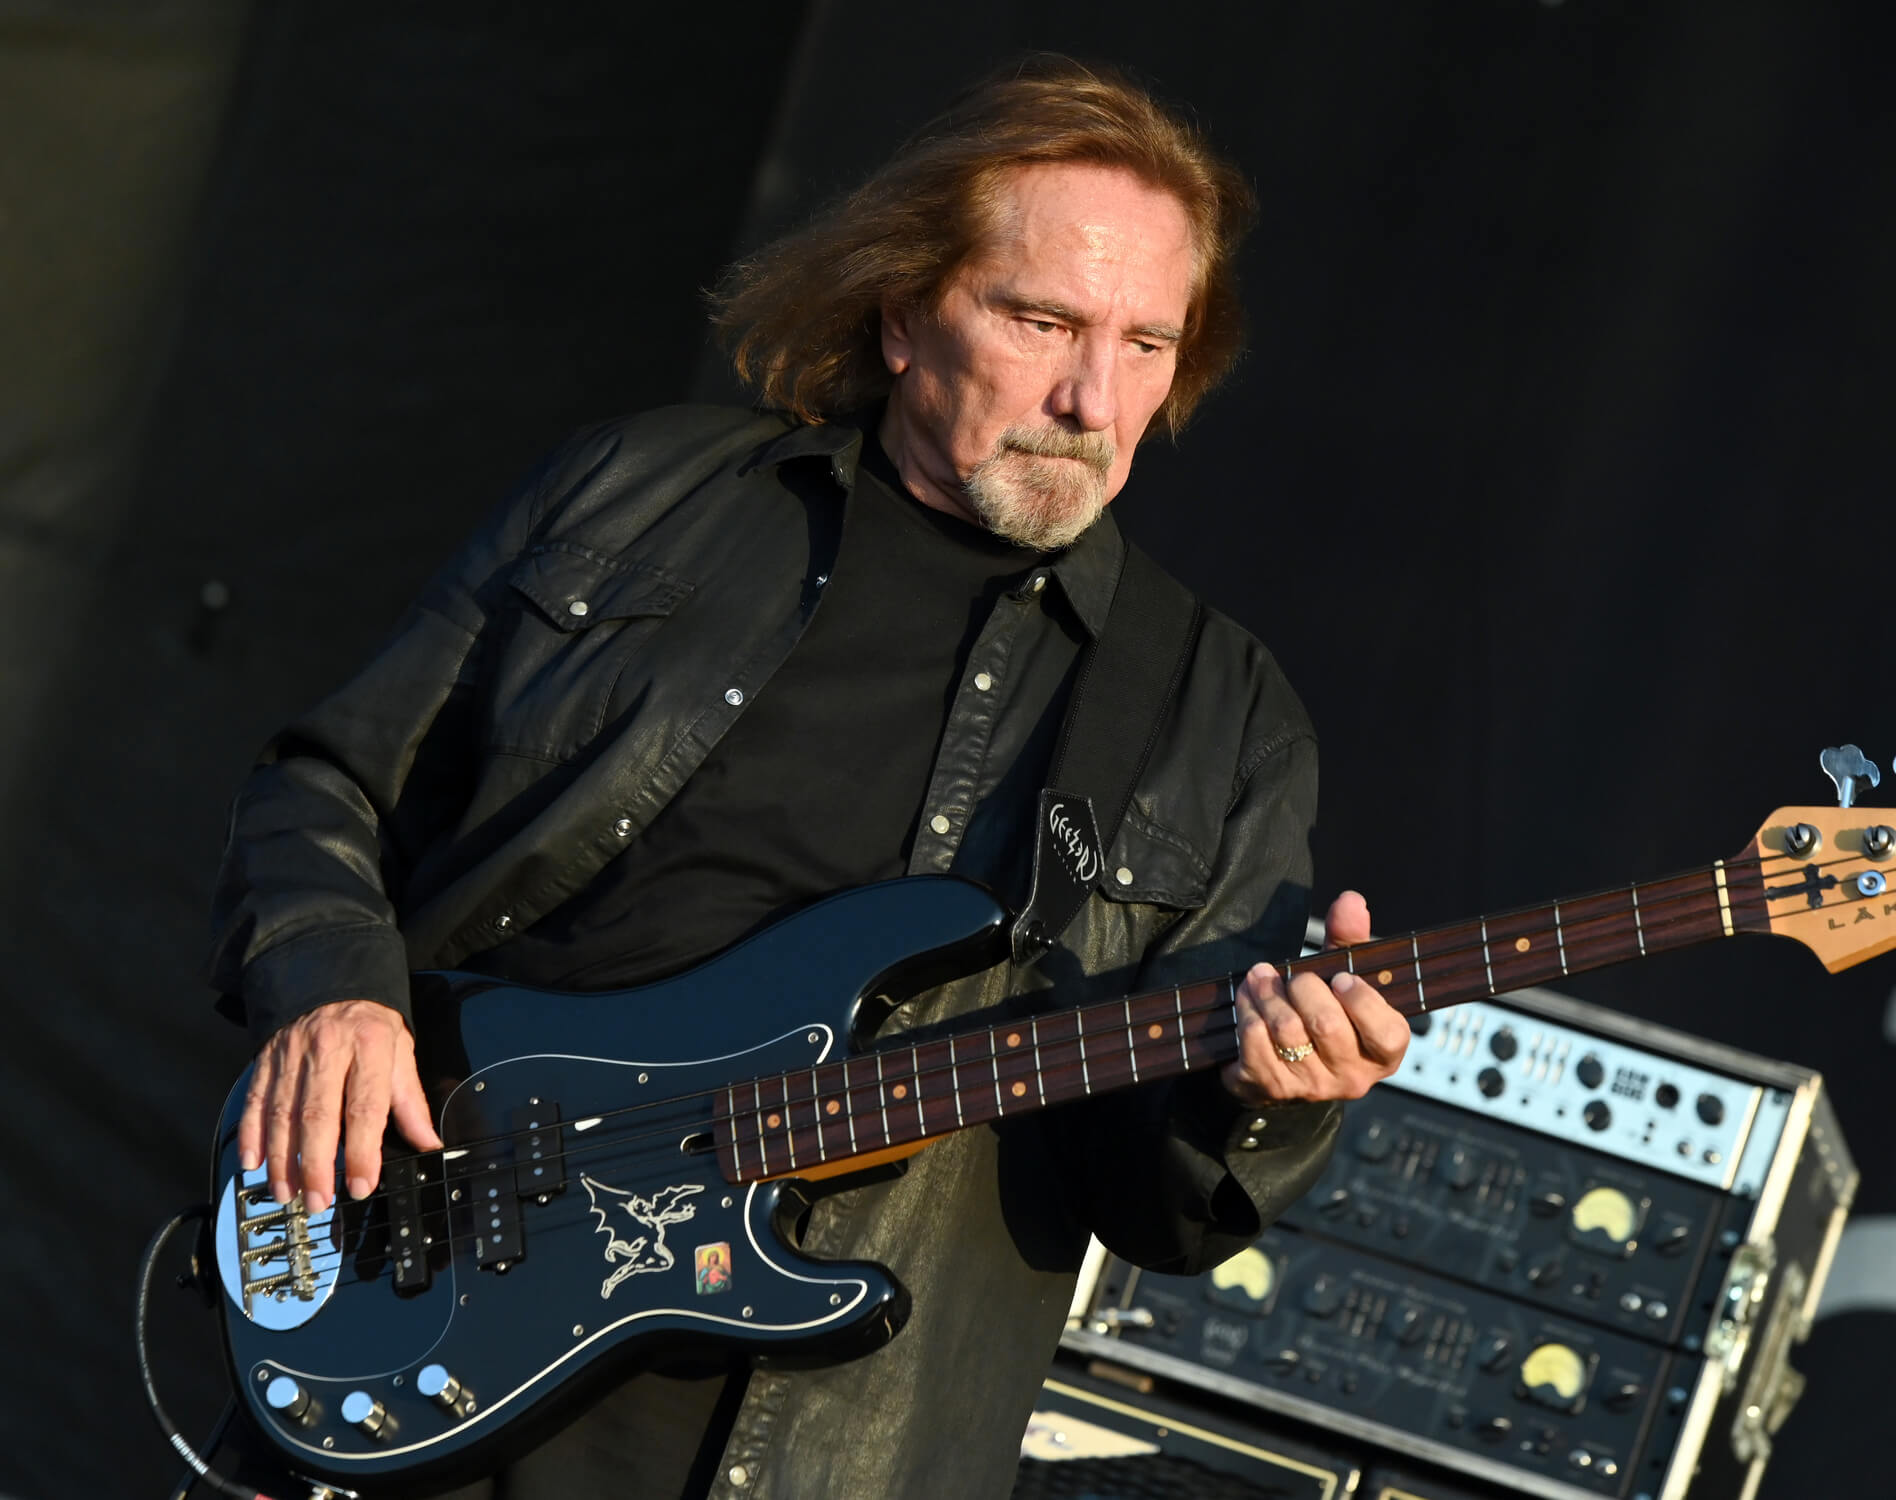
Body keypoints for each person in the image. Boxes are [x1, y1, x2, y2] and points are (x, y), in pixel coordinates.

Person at [207, 56, 1409, 1500]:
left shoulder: (1221, 717)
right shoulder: (638, 496)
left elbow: (1153, 1200)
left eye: (1149, 344)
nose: (1097, 399)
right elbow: (324, 785)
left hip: (817, 1449)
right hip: (424, 1280)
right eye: (1043, 320)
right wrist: (334, 989)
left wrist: (1271, 1095)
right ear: (903, 314)